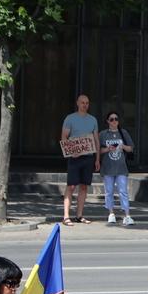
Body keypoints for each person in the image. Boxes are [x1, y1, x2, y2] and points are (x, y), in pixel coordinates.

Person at [60, 93, 99, 225]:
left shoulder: (93, 120)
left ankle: (79, 215)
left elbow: (96, 140)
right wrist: (71, 152)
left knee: (83, 187)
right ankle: (66, 216)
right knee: (71, 186)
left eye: (87, 103)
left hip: (88, 157)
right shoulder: (70, 118)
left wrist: (97, 159)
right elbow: (64, 137)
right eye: (82, 102)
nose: (85, 105)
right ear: (77, 103)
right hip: (74, 158)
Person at [98, 111, 135, 226]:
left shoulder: (123, 133)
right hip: (108, 167)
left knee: (123, 191)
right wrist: (107, 149)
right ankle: (111, 213)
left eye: (116, 119)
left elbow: (131, 148)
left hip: (121, 168)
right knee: (109, 191)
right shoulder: (103, 134)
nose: (114, 121)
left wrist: (122, 146)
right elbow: (98, 150)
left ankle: (127, 215)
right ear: (108, 121)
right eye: (112, 119)